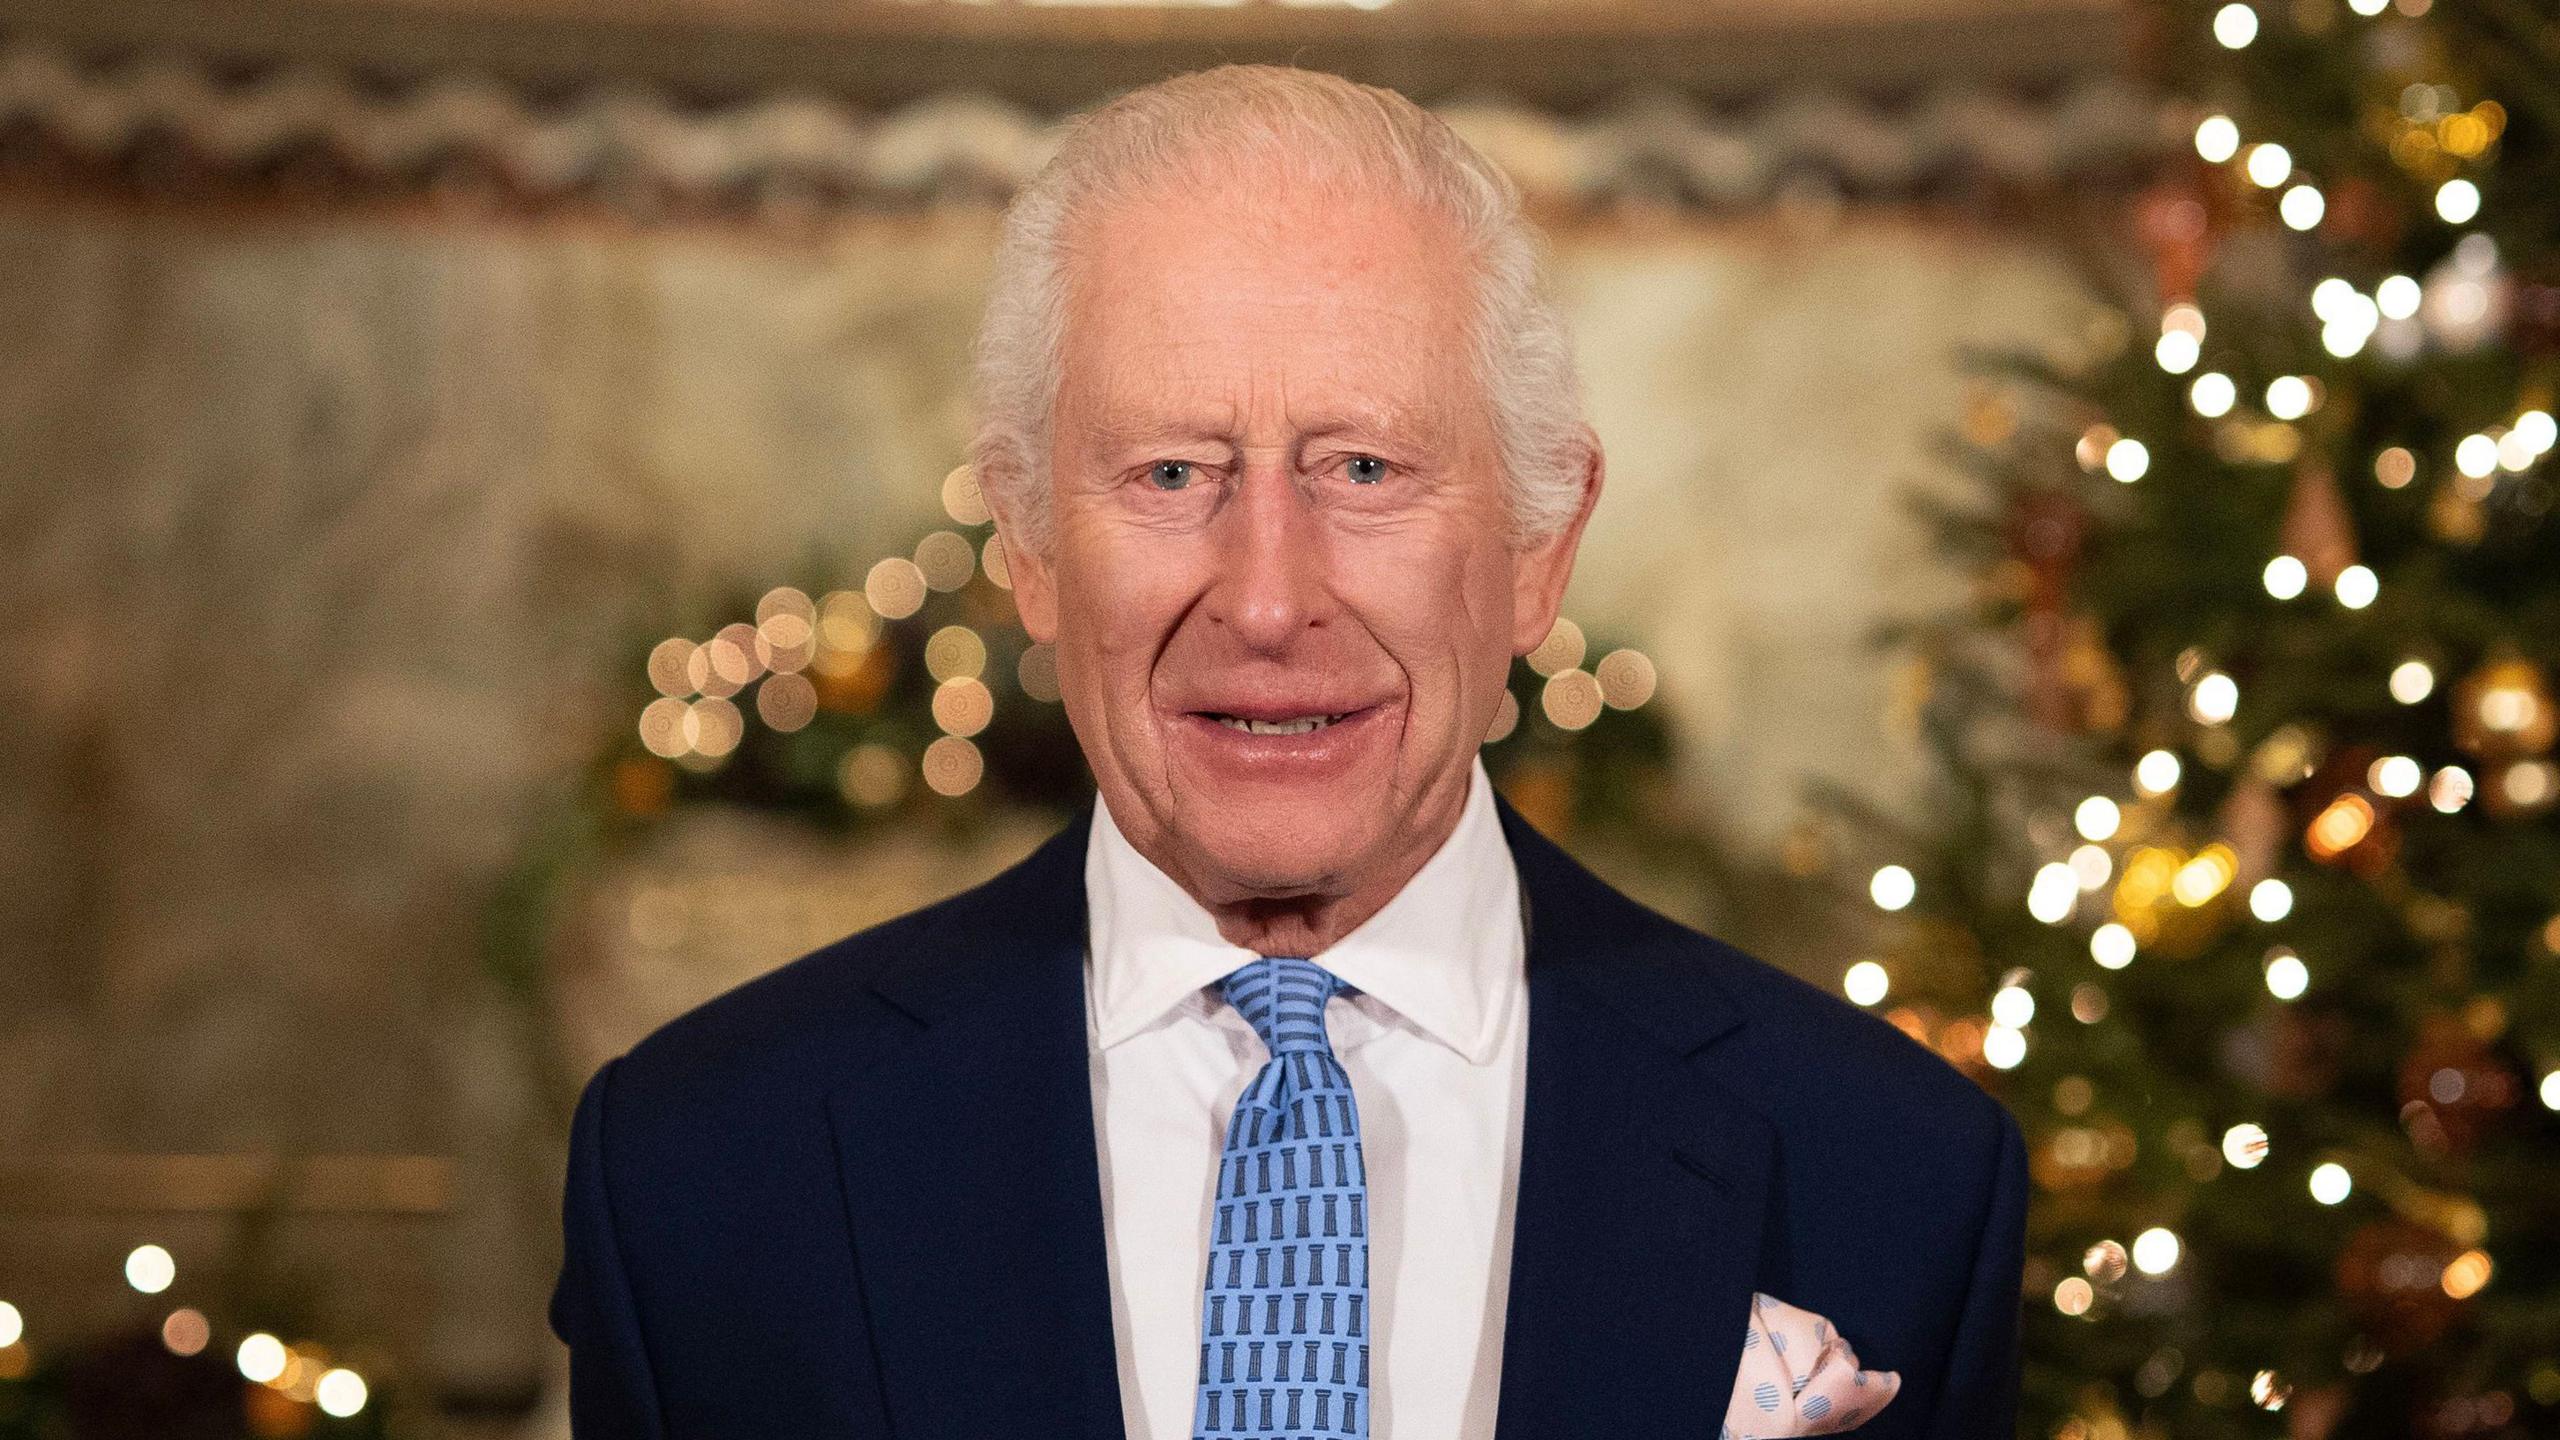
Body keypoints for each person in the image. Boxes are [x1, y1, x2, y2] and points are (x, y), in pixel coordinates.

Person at [549, 63, 2026, 1440]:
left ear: (1538, 548)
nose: (1265, 599)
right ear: (1030, 548)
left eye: (1365, 470)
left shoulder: (1892, 1173)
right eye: (1172, 472)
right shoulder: (703, 1171)